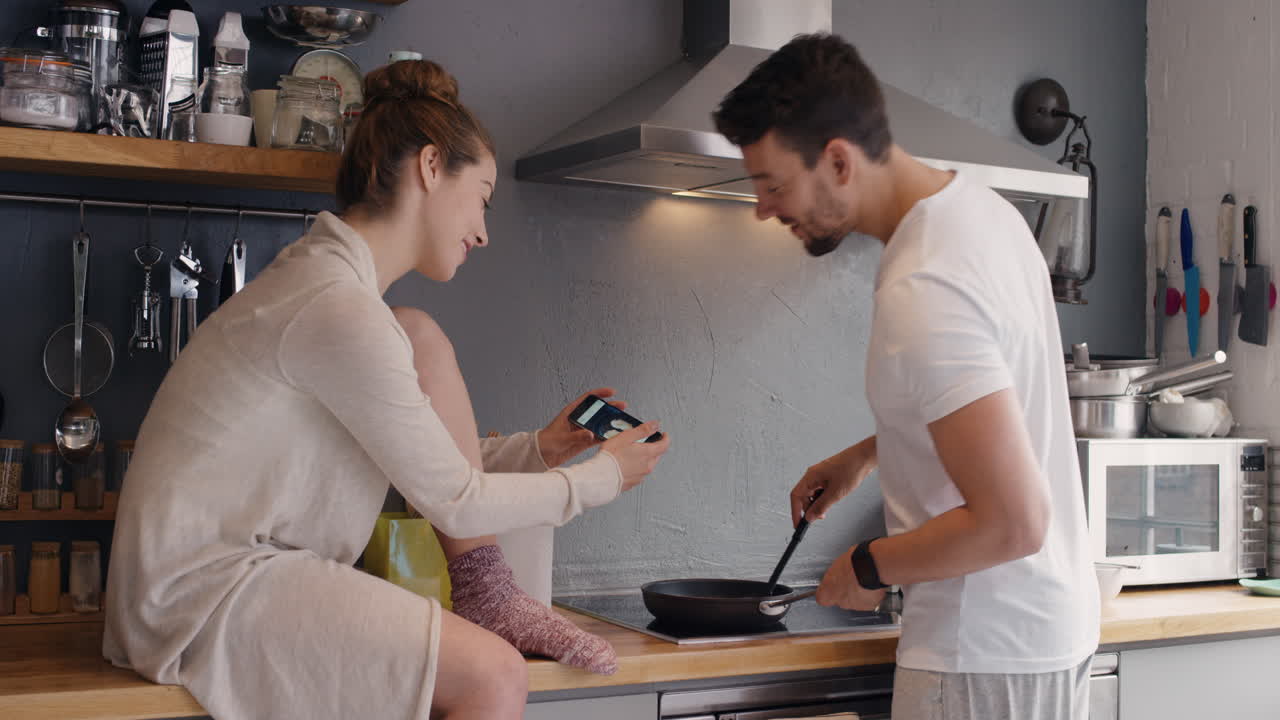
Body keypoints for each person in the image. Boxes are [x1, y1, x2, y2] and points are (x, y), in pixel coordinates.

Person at [103, 59, 671, 720]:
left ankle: (485, 589)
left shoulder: (337, 294)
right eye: (482, 196)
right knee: (493, 676)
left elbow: (420, 466)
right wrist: (603, 477)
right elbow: (455, 501)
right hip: (202, 593)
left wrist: (538, 450)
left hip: (221, 574)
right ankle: (489, 593)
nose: (483, 230)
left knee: (418, 333)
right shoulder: (336, 307)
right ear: (431, 167)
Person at [712, 34, 1099, 720]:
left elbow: (1013, 523)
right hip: (1039, 636)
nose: (764, 208)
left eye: (773, 184)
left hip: (979, 656)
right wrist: (872, 453)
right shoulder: (984, 215)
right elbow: (992, 409)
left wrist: (868, 564)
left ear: (838, 161)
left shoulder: (925, 285)